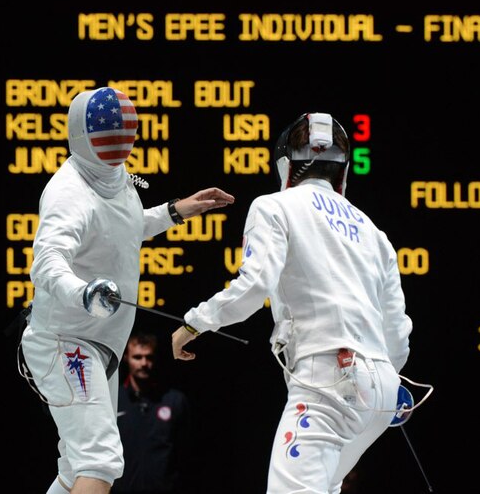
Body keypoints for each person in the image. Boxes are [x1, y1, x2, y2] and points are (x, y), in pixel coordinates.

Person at [171, 112, 413, 493]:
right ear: (342, 170)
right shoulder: (374, 231)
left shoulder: (273, 207)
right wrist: (383, 380)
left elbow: (254, 288)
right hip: (381, 391)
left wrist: (193, 323)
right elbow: (397, 331)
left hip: (329, 380)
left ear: (287, 165)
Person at [18, 86, 234, 494]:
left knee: (74, 467)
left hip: (97, 346)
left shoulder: (113, 174)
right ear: (85, 137)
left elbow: (123, 226)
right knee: (99, 458)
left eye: (125, 135)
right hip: (66, 343)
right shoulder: (68, 193)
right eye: (109, 137)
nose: (119, 146)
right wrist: (85, 293)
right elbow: (46, 264)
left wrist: (175, 210)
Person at [111, 331, 193, 494]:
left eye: (149, 357)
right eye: (137, 357)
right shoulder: (113, 399)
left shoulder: (174, 401)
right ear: (126, 358)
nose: (143, 363)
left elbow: (188, 454)